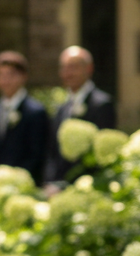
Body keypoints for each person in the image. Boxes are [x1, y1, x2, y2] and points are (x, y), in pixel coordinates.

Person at [43, 45, 118, 185]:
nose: (67, 73)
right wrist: (51, 182)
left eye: (73, 67)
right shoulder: (61, 108)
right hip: (58, 186)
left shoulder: (101, 104)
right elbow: (52, 152)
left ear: (89, 68)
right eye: (64, 68)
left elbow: (101, 155)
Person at [0, 51, 50, 181]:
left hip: (24, 185)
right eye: (0, 75)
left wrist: (14, 181)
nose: (5, 80)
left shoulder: (35, 112)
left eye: (10, 75)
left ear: (23, 76)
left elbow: (37, 155)